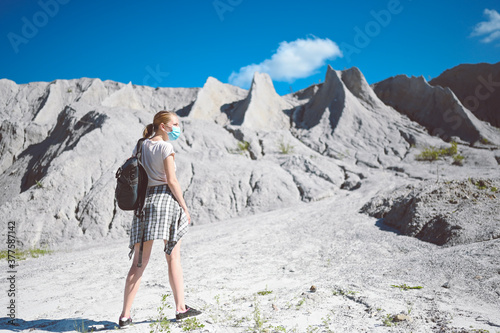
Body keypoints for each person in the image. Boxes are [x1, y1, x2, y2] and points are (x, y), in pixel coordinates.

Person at [119, 111, 201, 327]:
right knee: (173, 258)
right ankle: (180, 308)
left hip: (144, 204)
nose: (177, 128)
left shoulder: (141, 145)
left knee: (139, 262)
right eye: (174, 124)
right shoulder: (166, 147)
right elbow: (172, 181)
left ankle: (125, 316)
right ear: (163, 126)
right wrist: (184, 206)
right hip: (166, 201)